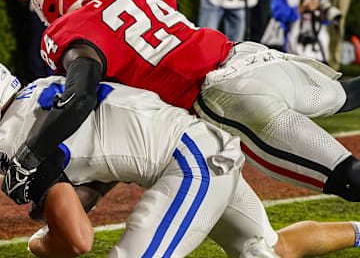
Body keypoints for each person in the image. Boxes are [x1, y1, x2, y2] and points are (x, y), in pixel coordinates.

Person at [4, 0, 360, 207]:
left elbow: (81, 98)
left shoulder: (70, 29)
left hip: (225, 95)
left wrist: (27, 158)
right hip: (254, 56)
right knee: (349, 95)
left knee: (348, 177)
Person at [1, 64, 360, 258]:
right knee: (263, 250)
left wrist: (40, 242)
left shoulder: (10, 139)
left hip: (190, 165)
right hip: (205, 143)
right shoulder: (48, 82)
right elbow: (105, 149)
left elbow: (78, 242)